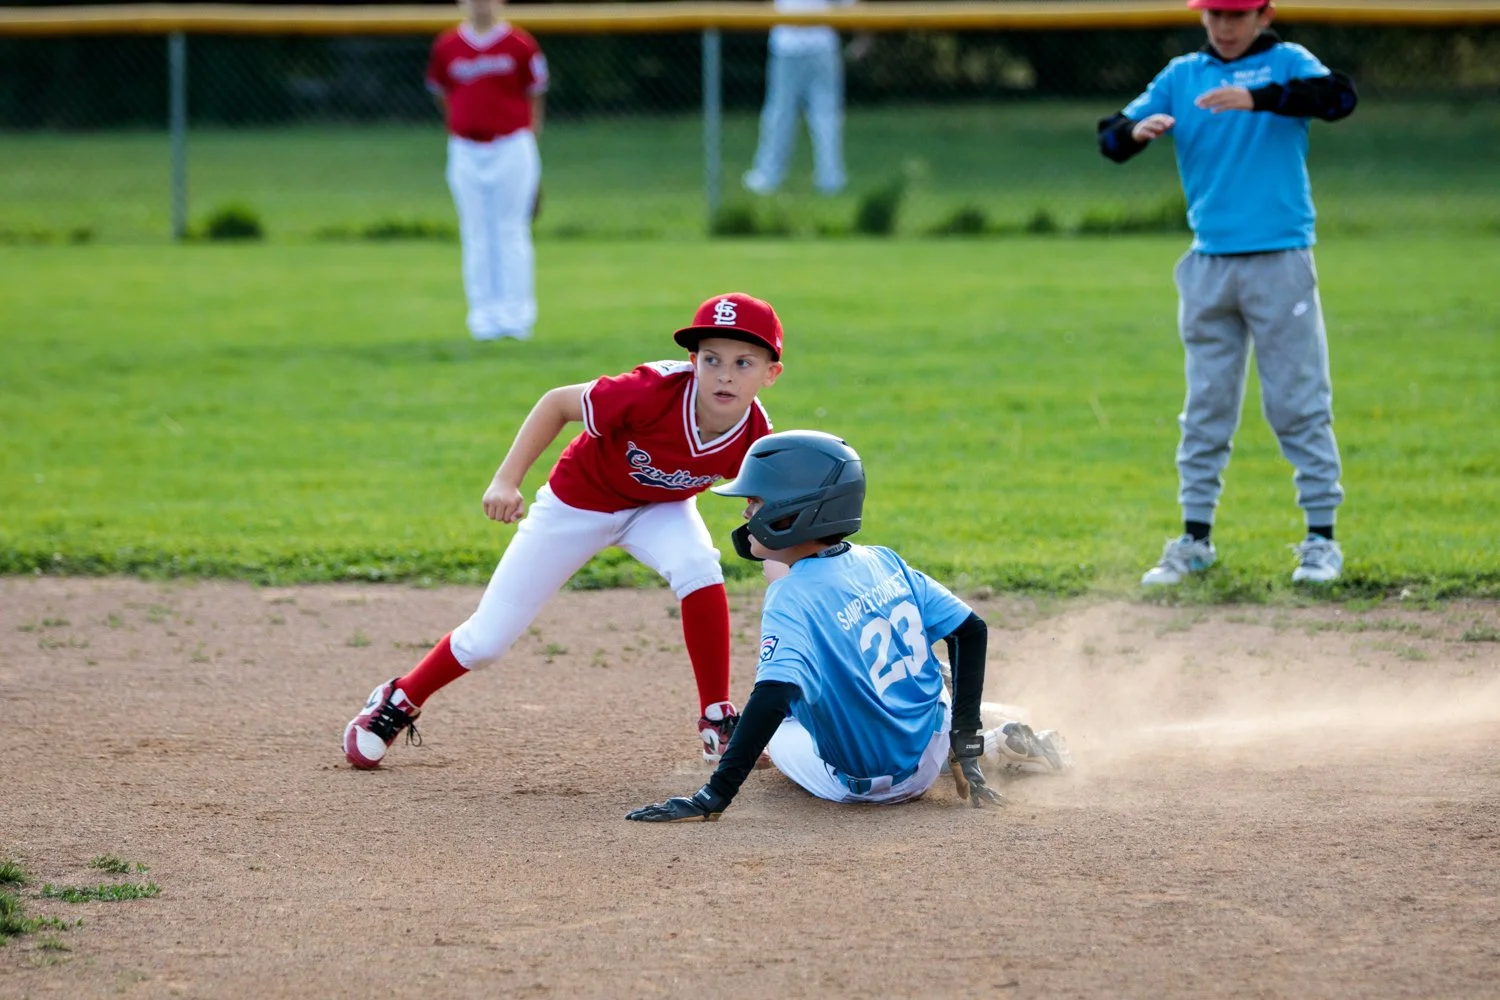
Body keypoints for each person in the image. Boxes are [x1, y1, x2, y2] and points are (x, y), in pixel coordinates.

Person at [343, 293, 786, 769]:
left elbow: (765, 518)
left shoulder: (758, 433)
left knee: (699, 565)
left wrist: (785, 572)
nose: (724, 374)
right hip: (578, 504)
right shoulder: (647, 391)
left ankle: (717, 718)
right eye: (711, 359)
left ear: (770, 373)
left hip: (660, 510)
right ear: (691, 361)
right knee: (486, 643)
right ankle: (399, 697)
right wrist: (505, 480)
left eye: (743, 362)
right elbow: (555, 403)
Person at [626, 431, 1071, 823]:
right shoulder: (882, 558)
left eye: (755, 500)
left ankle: (983, 743)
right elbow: (970, 630)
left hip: (872, 784)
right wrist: (964, 735)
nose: (746, 513)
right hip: (932, 734)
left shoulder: (791, 596)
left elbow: (773, 696)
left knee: (782, 721)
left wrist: (713, 795)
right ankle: (982, 740)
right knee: (888, 657)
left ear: (793, 510)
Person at [1096, 0, 1357, 586]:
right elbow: (1109, 137)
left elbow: (1339, 97)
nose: (1226, 26)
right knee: (1206, 408)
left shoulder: (1287, 61)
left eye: (1238, 14)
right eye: (1215, 14)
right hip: (1209, 263)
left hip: (1280, 259)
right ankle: (1195, 540)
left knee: (1296, 401)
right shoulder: (1183, 74)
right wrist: (1135, 134)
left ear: (1263, 15)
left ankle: (1321, 540)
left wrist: (1260, 99)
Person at [426, 0, 547, 342]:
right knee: (476, 232)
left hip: (512, 143)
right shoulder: (448, 45)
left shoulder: (520, 44)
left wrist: (531, 144)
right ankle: (483, 319)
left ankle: (517, 318)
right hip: (465, 147)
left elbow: (535, 94)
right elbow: (442, 93)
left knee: (511, 230)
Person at [742, 0, 865, 197]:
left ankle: (768, 176)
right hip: (816, 46)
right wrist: (863, 38)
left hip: (789, 46)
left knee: (781, 113)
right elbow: (852, 6)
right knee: (824, 115)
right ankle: (830, 179)